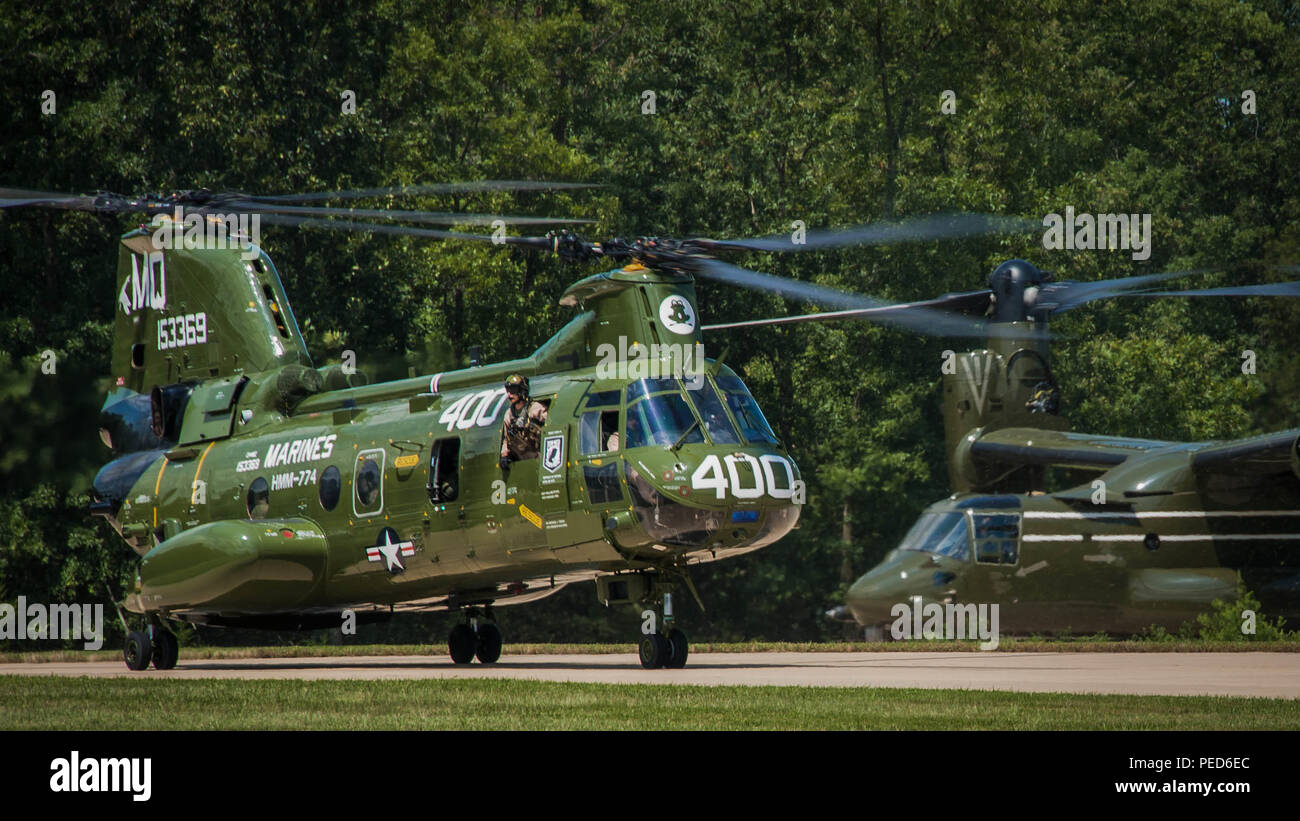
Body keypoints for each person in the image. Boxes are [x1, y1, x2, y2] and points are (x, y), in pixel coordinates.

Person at [499, 374, 548, 469]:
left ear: (521, 391)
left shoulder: (535, 409)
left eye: (513, 390)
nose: (509, 394)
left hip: (539, 459)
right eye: (508, 391)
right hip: (523, 461)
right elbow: (506, 438)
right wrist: (504, 455)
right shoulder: (509, 414)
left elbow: (552, 427)